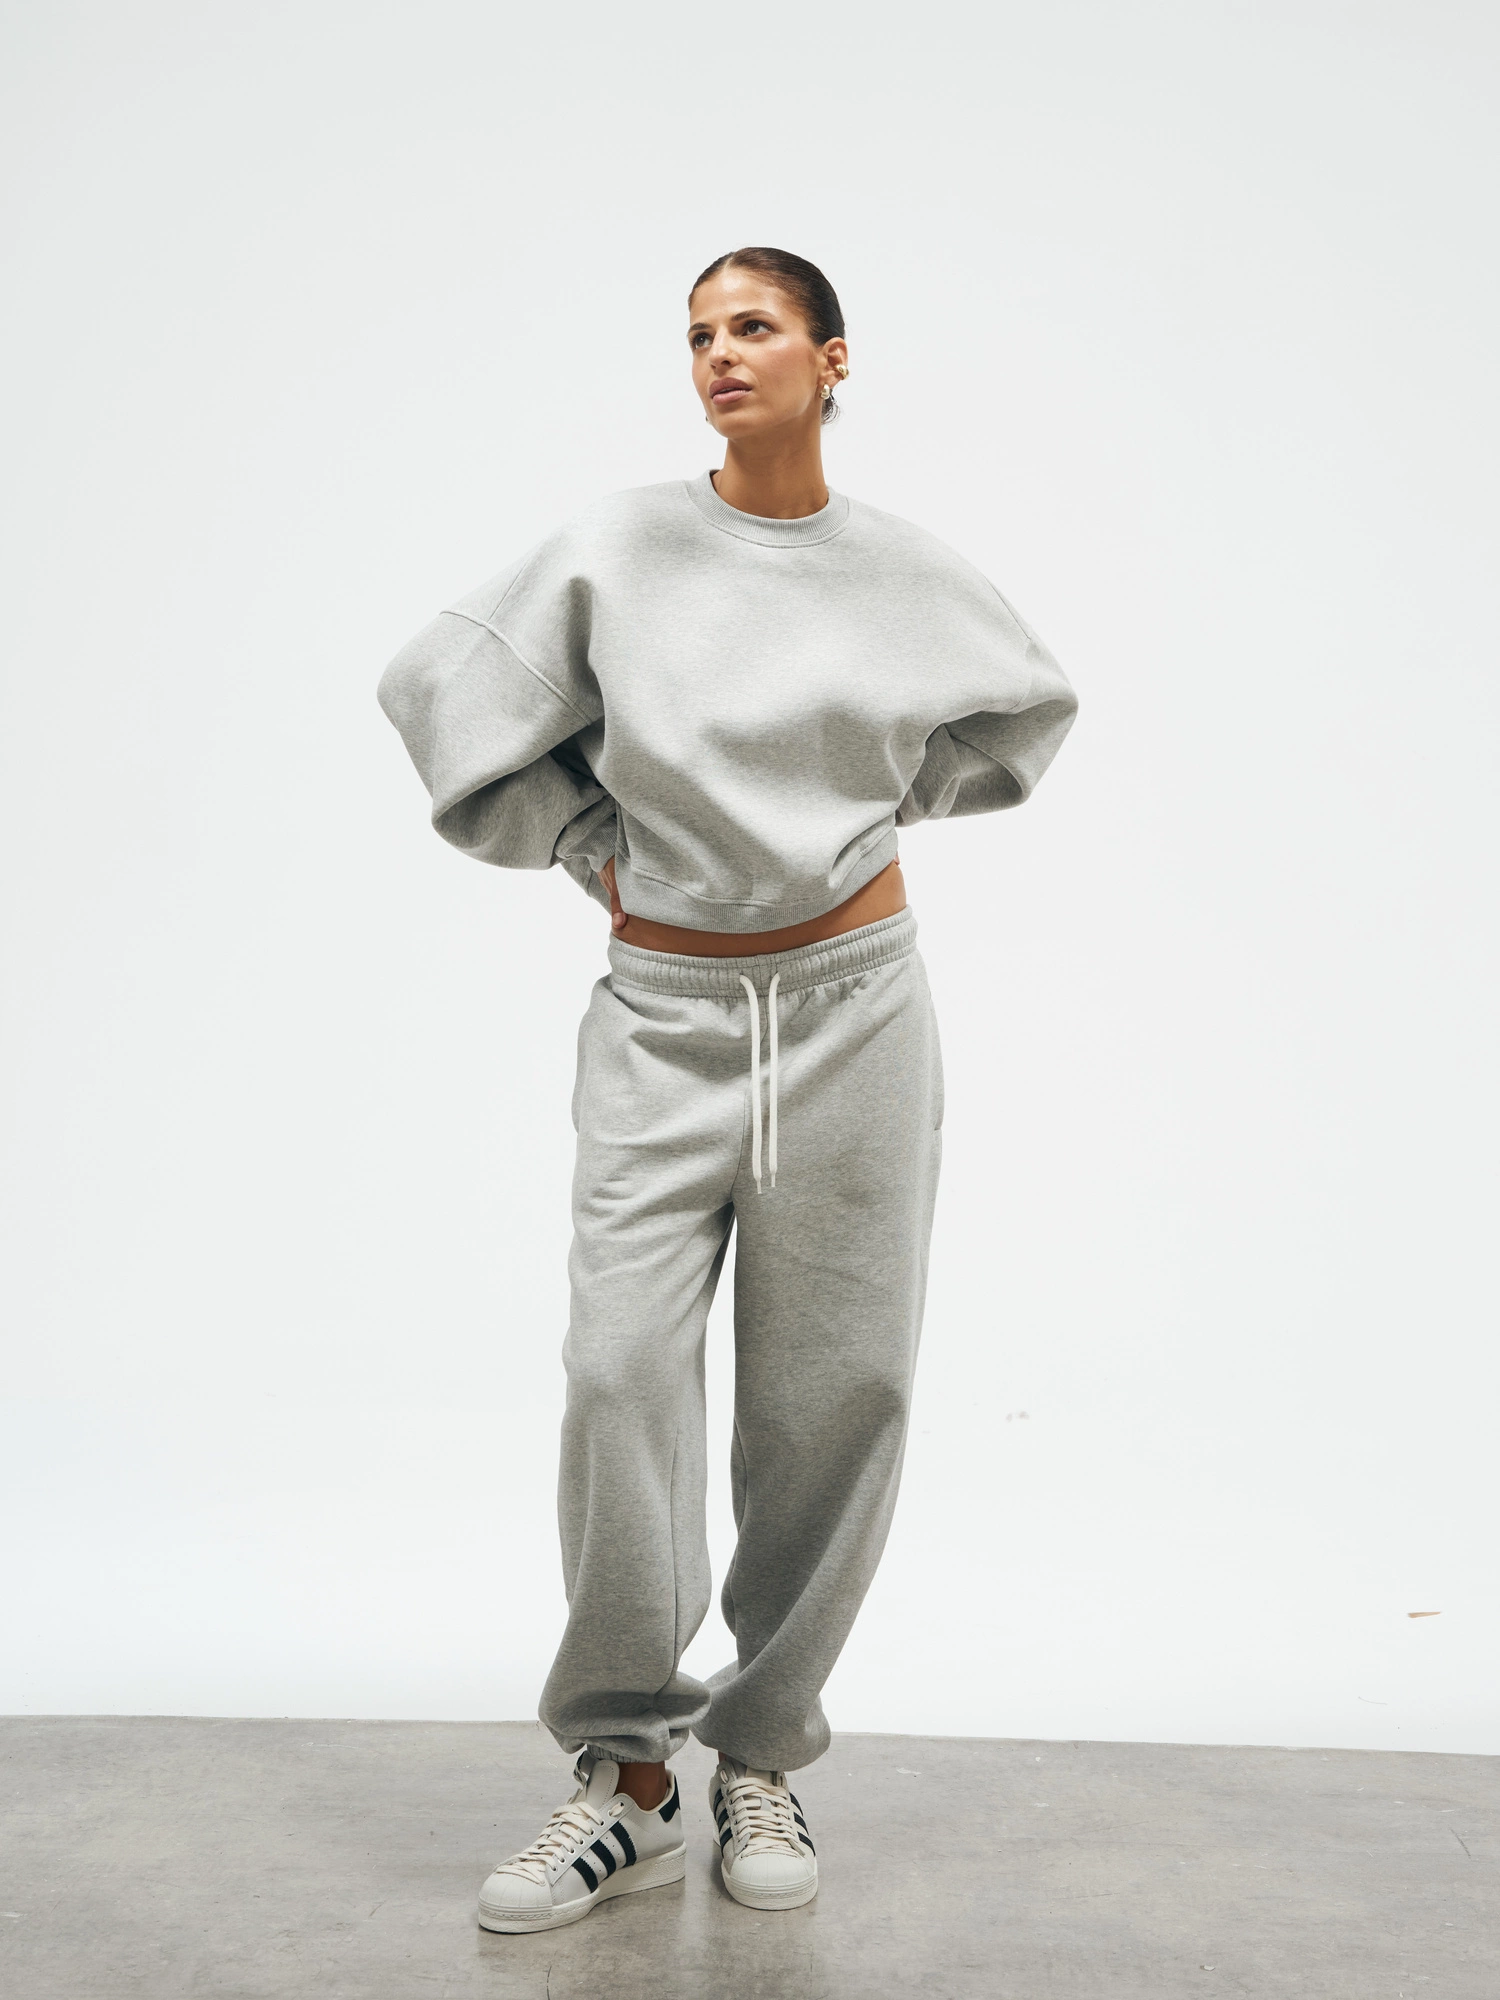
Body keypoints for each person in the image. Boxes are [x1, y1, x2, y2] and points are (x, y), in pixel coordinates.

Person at [377, 246, 1077, 1933]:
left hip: (857, 1012)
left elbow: (1025, 715)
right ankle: (624, 1777)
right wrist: (585, 841)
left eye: (753, 327)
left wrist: (868, 816)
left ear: (834, 359)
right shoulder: (616, 550)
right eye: (697, 334)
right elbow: (433, 686)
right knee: (618, 1370)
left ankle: (762, 1749)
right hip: (664, 1014)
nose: (718, 354)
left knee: (839, 1394)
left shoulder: (901, 570)